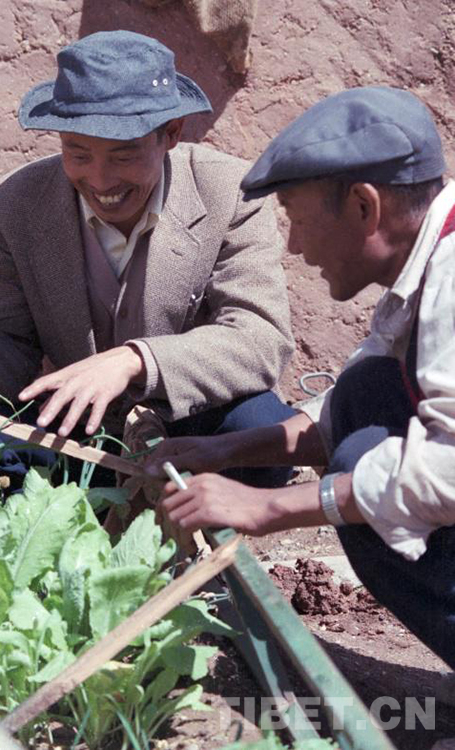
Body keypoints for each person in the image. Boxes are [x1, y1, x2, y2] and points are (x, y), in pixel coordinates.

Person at [149, 85, 455, 669]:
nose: (292, 244)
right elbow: (348, 405)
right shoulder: (430, 259)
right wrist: (222, 450)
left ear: (364, 207)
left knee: (359, 471)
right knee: (365, 396)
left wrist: (272, 508)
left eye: (296, 217)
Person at [0, 30, 295, 487]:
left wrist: (135, 360)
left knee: (261, 433)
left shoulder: (229, 194)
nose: (100, 179)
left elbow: (260, 338)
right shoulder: (12, 206)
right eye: (77, 153)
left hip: (191, 427)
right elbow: (11, 350)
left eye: (123, 156)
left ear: (171, 134)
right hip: (76, 432)